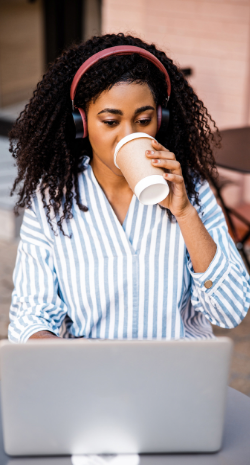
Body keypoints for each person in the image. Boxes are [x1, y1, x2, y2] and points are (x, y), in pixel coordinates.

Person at [8, 33, 250, 343]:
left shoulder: (191, 191)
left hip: (176, 378)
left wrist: (185, 213)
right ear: (81, 123)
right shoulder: (52, 200)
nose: (128, 135)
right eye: (110, 121)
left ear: (159, 120)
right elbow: (31, 314)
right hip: (91, 380)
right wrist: (63, 360)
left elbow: (229, 312)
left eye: (143, 119)